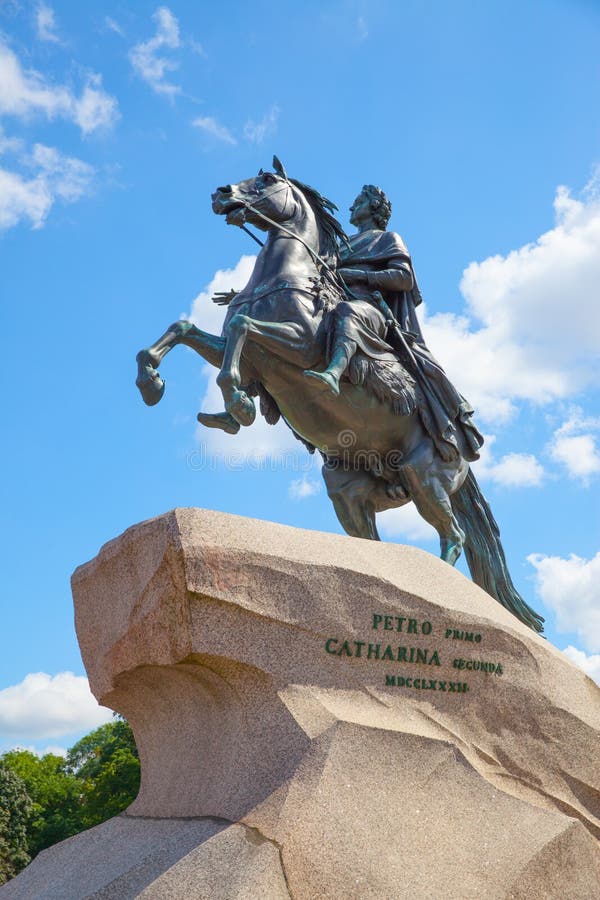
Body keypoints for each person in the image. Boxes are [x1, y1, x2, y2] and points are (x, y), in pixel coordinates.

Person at [304, 185, 483, 462]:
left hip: (371, 312)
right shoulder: (339, 245)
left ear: (375, 208)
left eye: (358, 201)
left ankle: (333, 372)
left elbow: (403, 278)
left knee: (347, 313)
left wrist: (360, 276)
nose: (351, 207)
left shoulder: (388, 239)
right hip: (331, 303)